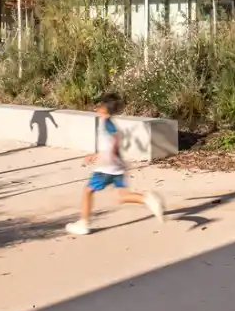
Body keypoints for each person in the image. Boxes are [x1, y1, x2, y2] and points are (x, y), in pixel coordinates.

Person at [65, 93, 165, 235]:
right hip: (117, 166)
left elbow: (115, 138)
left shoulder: (107, 124)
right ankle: (147, 199)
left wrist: (107, 155)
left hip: (106, 167)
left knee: (88, 191)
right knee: (122, 196)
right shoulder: (108, 123)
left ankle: (83, 224)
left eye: (99, 105)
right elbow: (112, 140)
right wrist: (98, 154)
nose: (97, 107)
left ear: (104, 109)